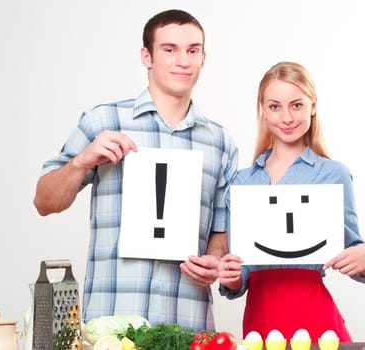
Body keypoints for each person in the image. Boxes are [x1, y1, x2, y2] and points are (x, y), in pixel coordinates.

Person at [33, 9, 238, 332]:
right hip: (112, 323)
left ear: (203, 58)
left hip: (188, 323)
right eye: (169, 49)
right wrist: (81, 160)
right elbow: (45, 202)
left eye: (192, 50)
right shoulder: (104, 121)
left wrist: (213, 259)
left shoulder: (221, 142)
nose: (183, 60)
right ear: (147, 56)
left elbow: (220, 231)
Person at [218, 61, 365, 342]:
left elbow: (353, 250)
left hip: (315, 315)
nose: (287, 117)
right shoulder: (242, 182)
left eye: (296, 105)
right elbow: (240, 269)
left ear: (312, 106)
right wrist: (232, 278)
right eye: (275, 106)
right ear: (263, 111)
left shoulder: (332, 173)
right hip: (260, 318)